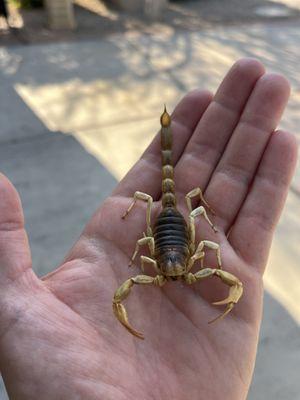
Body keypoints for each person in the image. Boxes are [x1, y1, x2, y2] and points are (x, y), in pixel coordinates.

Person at [0, 58, 297, 399]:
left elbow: (205, 250)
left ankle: (169, 129)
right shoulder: (162, 270)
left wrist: (196, 239)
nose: (170, 279)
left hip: (174, 229)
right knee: (162, 212)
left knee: (194, 230)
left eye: (172, 275)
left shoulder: (169, 268)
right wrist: (143, 251)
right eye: (168, 275)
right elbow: (149, 248)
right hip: (169, 227)